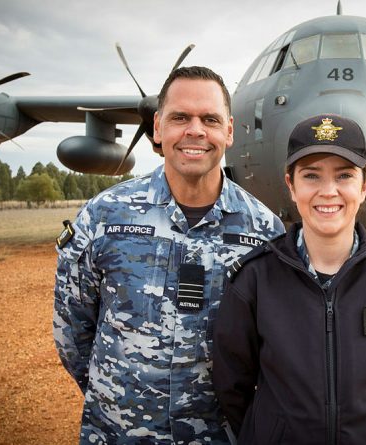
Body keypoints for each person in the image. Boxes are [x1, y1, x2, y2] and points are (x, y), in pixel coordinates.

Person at [53, 66, 285, 444]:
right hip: (119, 433)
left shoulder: (265, 232)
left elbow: (272, 343)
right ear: (158, 128)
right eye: (180, 117)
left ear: (228, 131)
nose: (195, 130)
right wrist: (118, 400)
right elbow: (72, 332)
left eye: (209, 119)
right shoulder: (104, 216)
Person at [213, 114, 366, 444]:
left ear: (364, 186)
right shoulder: (255, 278)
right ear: (291, 185)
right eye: (311, 176)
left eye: (344, 175)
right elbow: (232, 385)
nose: (328, 191)